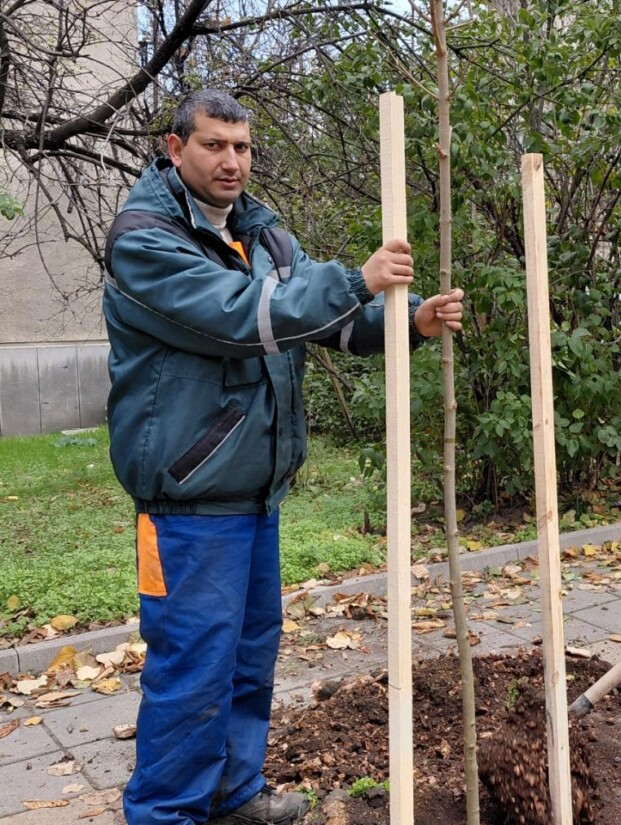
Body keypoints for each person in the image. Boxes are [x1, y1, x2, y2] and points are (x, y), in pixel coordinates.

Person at [102, 90, 464, 825]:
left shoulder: (261, 235)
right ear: (176, 150)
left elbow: (327, 321)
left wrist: (410, 318)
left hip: (255, 491)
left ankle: (233, 795)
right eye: (214, 146)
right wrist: (355, 278)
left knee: (246, 655)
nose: (232, 161)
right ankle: (166, 813)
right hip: (187, 500)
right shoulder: (146, 240)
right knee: (191, 667)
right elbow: (242, 318)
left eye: (242, 147)